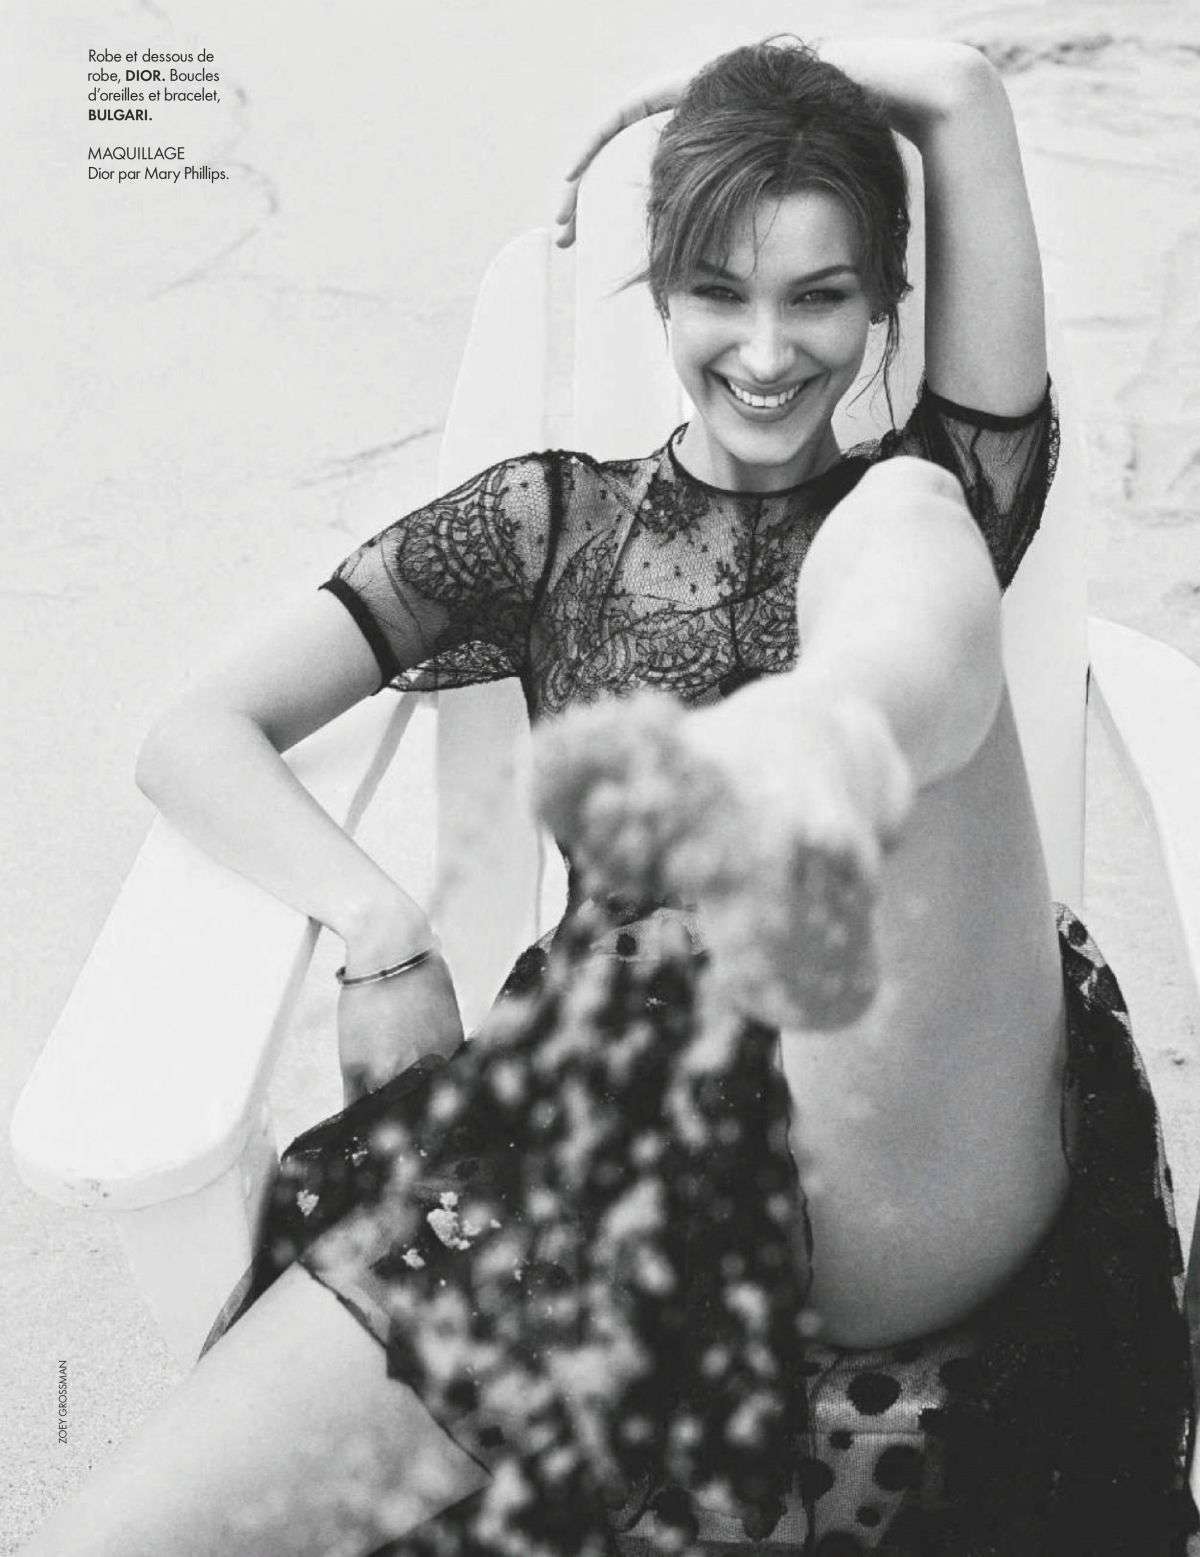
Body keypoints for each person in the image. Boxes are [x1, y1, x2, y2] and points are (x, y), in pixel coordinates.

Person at [19, 36, 1195, 1557]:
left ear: (888, 306)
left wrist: (708, 94)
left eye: (819, 296)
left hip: (902, 1108)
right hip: (608, 1152)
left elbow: (962, 90)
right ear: (658, 293)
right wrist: (374, 922)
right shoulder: (546, 522)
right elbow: (198, 728)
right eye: (718, 290)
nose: (766, 351)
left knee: (906, 519)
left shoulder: (944, 477)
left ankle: (823, 740)